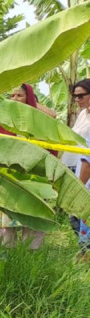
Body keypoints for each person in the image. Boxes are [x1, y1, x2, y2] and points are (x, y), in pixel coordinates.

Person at [0, 83, 53, 248]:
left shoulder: (38, 122)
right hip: (7, 178)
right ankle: (4, 262)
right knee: (4, 226)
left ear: (29, 98)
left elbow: (52, 115)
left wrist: (31, 105)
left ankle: (30, 262)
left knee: (32, 222)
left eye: (20, 95)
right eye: (12, 96)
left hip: (32, 179)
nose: (15, 99)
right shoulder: (4, 122)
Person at [69, 79, 90, 252]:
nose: (77, 100)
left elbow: (87, 158)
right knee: (76, 219)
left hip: (86, 170)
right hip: (78, 168)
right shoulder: (83, 114)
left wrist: (79, 187)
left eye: (81, 95)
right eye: (75, 96)